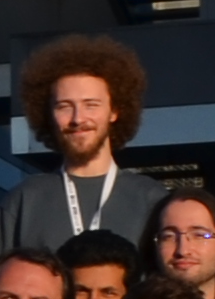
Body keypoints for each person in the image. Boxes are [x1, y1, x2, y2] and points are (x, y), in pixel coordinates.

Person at [11, 35, 153, 254]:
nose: (78, 118)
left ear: (114, 111)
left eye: (91, 105)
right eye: (64, 106)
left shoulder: (151, 198)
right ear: (48, 114)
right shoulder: (24, 200)